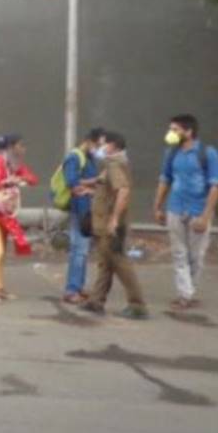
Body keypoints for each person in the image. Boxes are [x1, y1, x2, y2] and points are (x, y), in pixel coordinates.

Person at [153, 114, 218, 309]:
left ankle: (188, 291)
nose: (171, 133)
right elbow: (165, 180)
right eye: (171, 129)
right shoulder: (171, 153)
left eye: (175, 130)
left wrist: (205, 216)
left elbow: (216, 186)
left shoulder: (208, 153)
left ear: (188, 132)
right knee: (179, 253)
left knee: (196, 256)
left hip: (198, 211)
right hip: (175, 209)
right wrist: (157, 206)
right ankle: (185, 294)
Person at [83, 131, 149, 318]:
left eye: (103, 144)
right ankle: (96, 301)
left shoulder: (115, 164)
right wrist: (86, 186)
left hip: (109, 224)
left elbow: (123, 191)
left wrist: (114, 219)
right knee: (105, 263)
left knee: (120, 263)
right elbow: (103, 182)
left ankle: (137, 305)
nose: (100, 147)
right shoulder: (114, 164)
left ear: (113, 146)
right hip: (103, 222)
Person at [0, 134, 40, 303]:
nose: (23, 149)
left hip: (4, 212)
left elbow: (33, 179)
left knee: (1, 252)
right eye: (21, 146)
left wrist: (20, 178)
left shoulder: (14, 164)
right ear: (12, 147)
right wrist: (11, 181)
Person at [60, 128, 104, 305]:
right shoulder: (74, 157)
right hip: (79, 209)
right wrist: (94, 181)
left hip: (87, 209)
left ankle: (78, 287)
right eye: (98, 145)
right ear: (89, 141)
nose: (99, 149)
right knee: (79, 250)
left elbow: (83, 185)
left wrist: (90, 187)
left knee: (83, 251)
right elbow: (72, 182)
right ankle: (72, 290)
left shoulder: (89, 158)